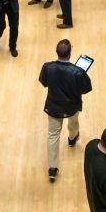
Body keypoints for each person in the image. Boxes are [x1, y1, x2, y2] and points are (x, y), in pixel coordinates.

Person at [39, 39, 92, 182]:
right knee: (73, 123)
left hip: (53, 106)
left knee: (53, 135)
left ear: (57, 52)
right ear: (70, 54)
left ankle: (52, 168)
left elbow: (44, 83)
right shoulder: (78, 71)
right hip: (72, 107)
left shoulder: (47, 67)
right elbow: (86, 89)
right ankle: (72, 139)